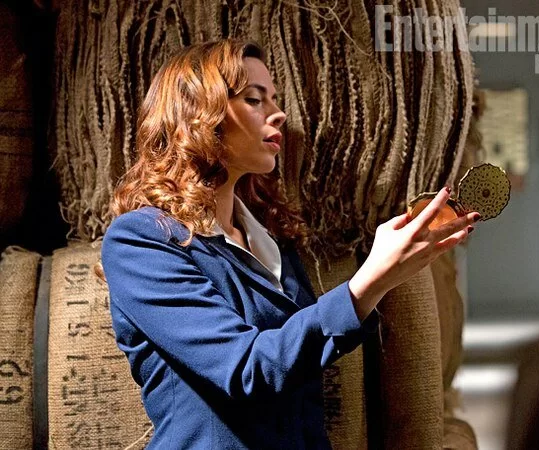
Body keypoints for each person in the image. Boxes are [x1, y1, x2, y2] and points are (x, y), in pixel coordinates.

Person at [101, 38, 480, 449]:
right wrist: (371, 280)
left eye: (275, 98)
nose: (279, 113)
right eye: (254, 99)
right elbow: (245, 370)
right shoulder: (140, 240)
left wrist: (386, 277)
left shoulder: (270, 239)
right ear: (198, 115)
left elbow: (299, 369)